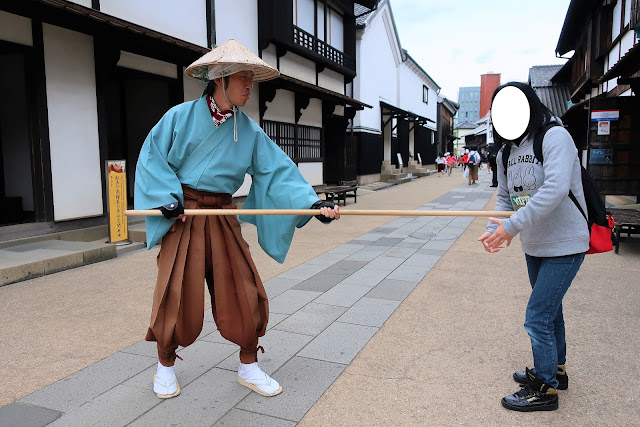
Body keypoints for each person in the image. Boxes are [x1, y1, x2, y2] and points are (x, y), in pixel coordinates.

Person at [134, 39, 340, 400]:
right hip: (184, 212)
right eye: (243, 78)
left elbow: (276, 170)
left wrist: (311, 204)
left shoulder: (249, 130)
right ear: (220, 79)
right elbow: (152, 158)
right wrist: (167, 198)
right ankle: (165, 366)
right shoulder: (178, 117)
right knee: (176, 289)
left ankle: (249, 364)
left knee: (243, 286)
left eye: (251, 79)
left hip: (223, 212)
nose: (249, 86)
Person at [477, 81, 589, 412]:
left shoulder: (555, 137)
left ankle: (544, 389)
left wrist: (512, 226)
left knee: (537, 315)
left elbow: (554, 189)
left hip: (566, 242)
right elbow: (505, 198)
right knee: (550, 312)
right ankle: (556, 370)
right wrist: (493, 228)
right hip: (536, 244)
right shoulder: (506, 152)